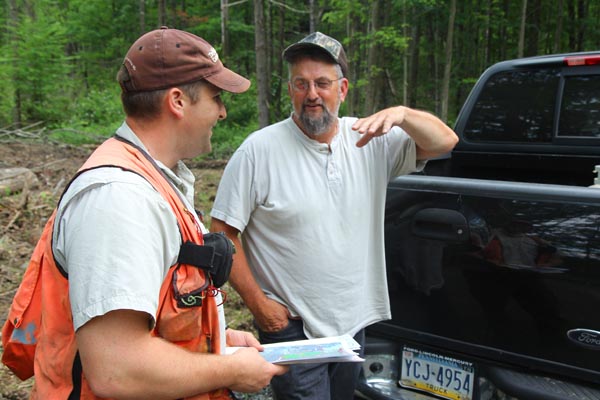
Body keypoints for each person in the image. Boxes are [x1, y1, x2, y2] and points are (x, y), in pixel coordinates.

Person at [3, 27, 287, 399]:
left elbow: (153, 312)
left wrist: (214, 336)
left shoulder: (152, 179)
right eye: (216, 97)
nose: (222, 111)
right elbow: (117, 369)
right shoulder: (119, 199)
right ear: (178, 101)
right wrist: (229, 369)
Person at [210, 31, 459, 400]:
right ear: (290, 89)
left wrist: (404, 115)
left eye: (322, 83)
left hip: (351, 323)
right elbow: (222, 233)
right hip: (293, 327)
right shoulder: (258, 151)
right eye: (301, 83)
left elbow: (445, 142)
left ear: (342, 89)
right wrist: (262, 308)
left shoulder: (370, 140)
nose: (312, 94)